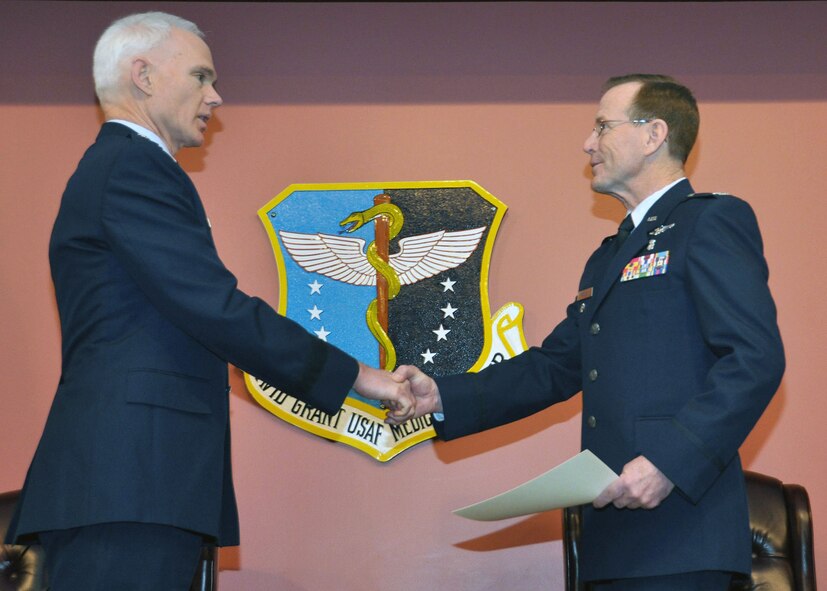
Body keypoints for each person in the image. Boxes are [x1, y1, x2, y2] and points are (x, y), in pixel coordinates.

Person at [4, 11, 413, 590]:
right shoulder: (131, 169)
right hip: (129, 481)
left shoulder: (129, 167)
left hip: (133, 482)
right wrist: (361, 378)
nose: (215, 96)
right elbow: (215, 309)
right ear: (142, 75)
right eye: (201, 76)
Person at [396, 74, 785, 590]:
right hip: (612, 539)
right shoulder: (610, 256)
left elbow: (755, 359)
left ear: (654, 135)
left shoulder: (710, 222)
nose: (588, 142)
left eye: (603, 125)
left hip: (683, 536)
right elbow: (553, 367)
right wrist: (442, 394)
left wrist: (669, 462)